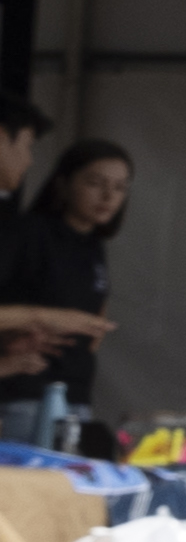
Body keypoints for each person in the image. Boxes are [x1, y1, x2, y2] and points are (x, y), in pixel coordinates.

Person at [2, 137, 133, 452]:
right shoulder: (29, 233)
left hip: (76, 396)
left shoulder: (93, 246)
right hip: (25, 392)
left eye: (119, 188)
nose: (108, 196)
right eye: (95, 183)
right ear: (63, 184)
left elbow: (94, 313)